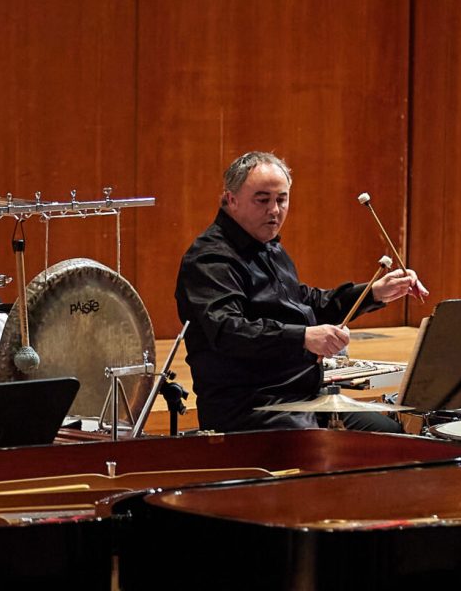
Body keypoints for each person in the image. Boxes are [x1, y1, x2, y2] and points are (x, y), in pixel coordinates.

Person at [175, 151, 428, 432]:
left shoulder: (268, 246)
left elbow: (305, 301)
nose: (274, 210)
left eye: (281, 200)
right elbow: (228, 330)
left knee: (393, 436)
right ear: (231, 199)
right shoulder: (210, 259)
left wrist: (374, 293)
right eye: (262, 200)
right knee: (355, 450)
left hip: (303, 400)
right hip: (253, 411)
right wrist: (304, 337)